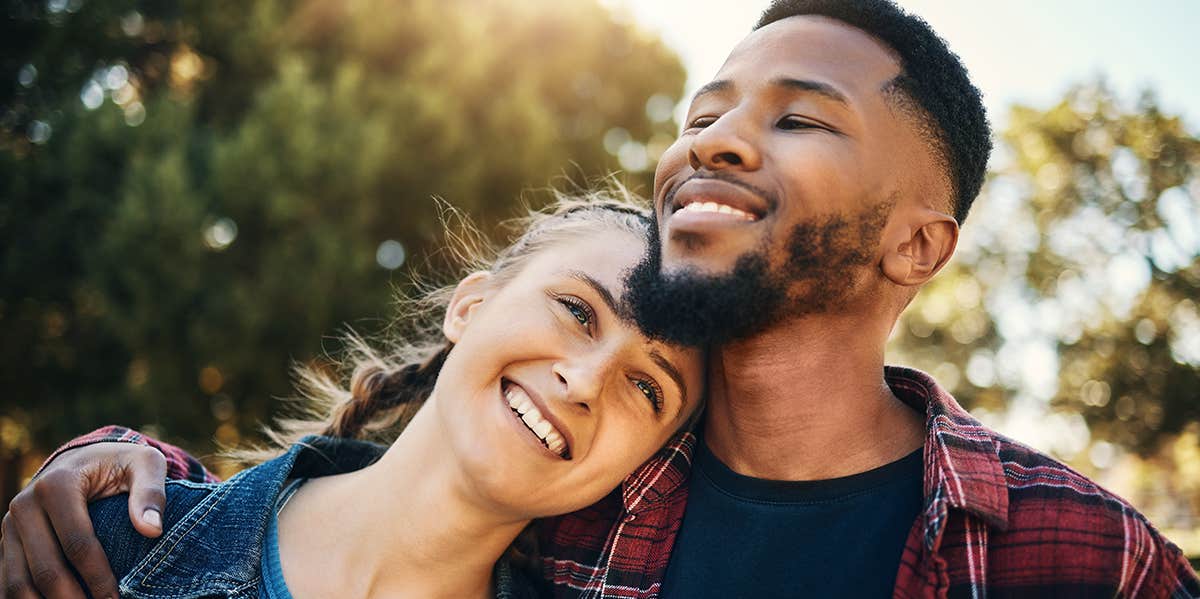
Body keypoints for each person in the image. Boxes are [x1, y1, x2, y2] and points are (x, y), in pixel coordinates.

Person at [5, 0, 1200, 597]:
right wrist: (114, 466)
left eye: (796, 117)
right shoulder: (584, 501)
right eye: (704, 114)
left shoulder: (1086, 553)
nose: (718, 142)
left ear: (916, 244)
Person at [1, 195, 705, 599]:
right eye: (578, 310)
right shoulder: (102, 543)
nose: (584, 383)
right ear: (471, 306)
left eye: (647, 387)